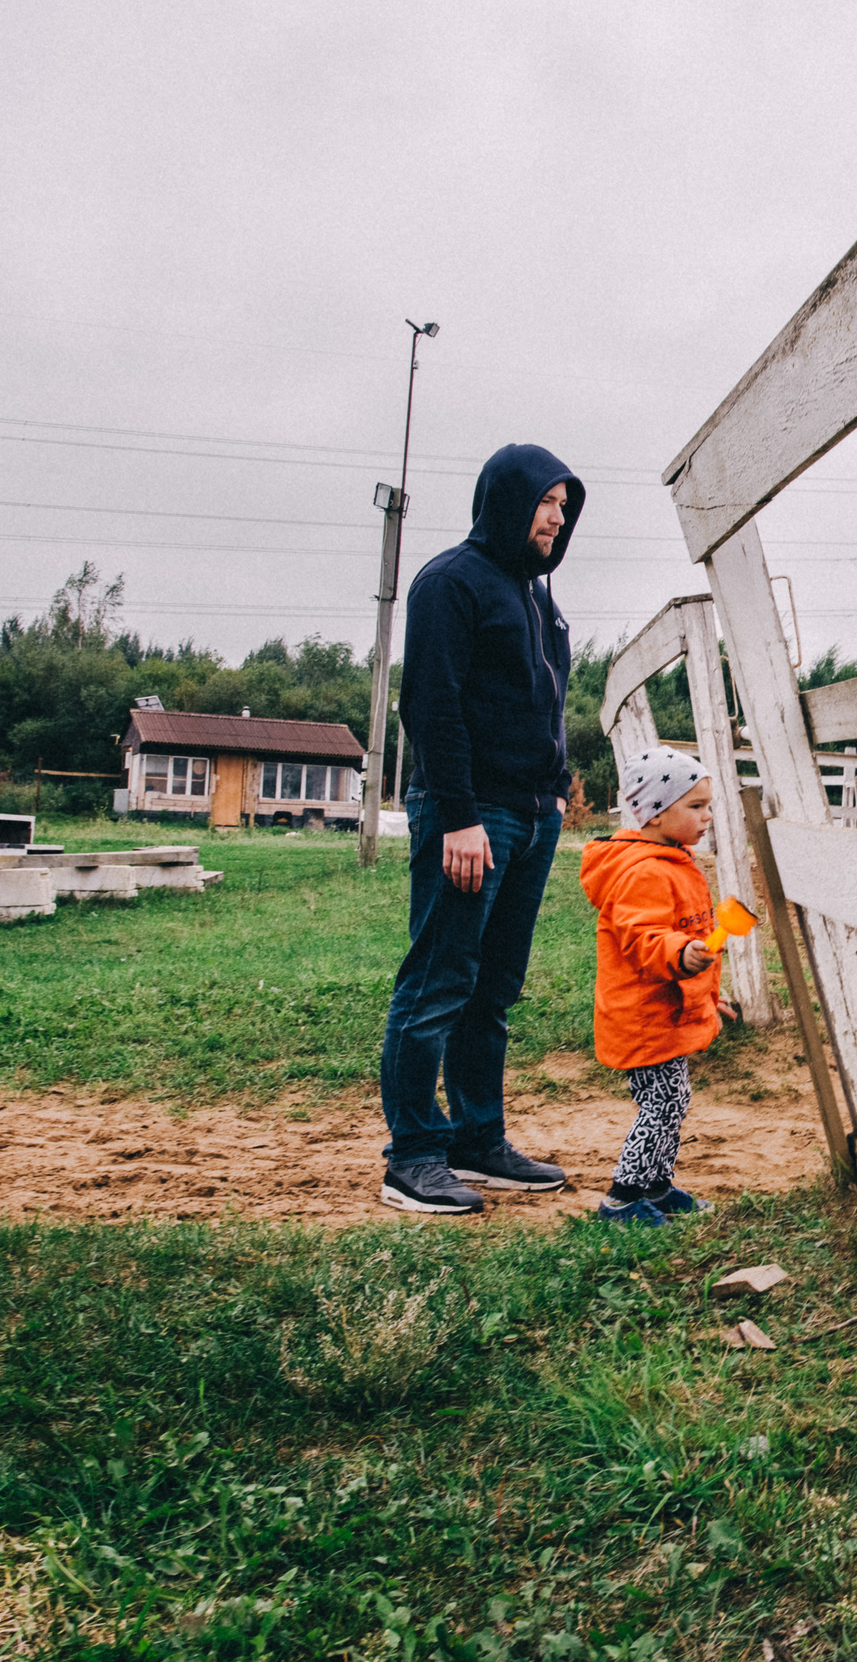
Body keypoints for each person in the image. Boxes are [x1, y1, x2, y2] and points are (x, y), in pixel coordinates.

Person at [377, 442, 581, 1215]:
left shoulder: (539, 598)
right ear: (507, 499)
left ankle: (477, 1138)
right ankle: (413, 1157)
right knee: (439, 982)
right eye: (546, 502)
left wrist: (554, 792)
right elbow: (431, 704)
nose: (557, 517)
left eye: (564, 506)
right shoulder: (450, 582)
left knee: (492, 989)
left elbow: (546, 704)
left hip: (531, 817)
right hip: (469, 815)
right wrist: (459, 817)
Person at [578, 747, 735, 1228]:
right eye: (696, 806)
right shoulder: (644, 871)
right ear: (656, 813)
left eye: (708, 806)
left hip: (666, 1012)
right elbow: (644, 936)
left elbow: (688, 934)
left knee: (672, 1100)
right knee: (662, 1103)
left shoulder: (674, 861)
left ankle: (657, 1188)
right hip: (642, 1017)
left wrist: (710, 995)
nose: (707, 816)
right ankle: (622, 1199)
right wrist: (680, 954)